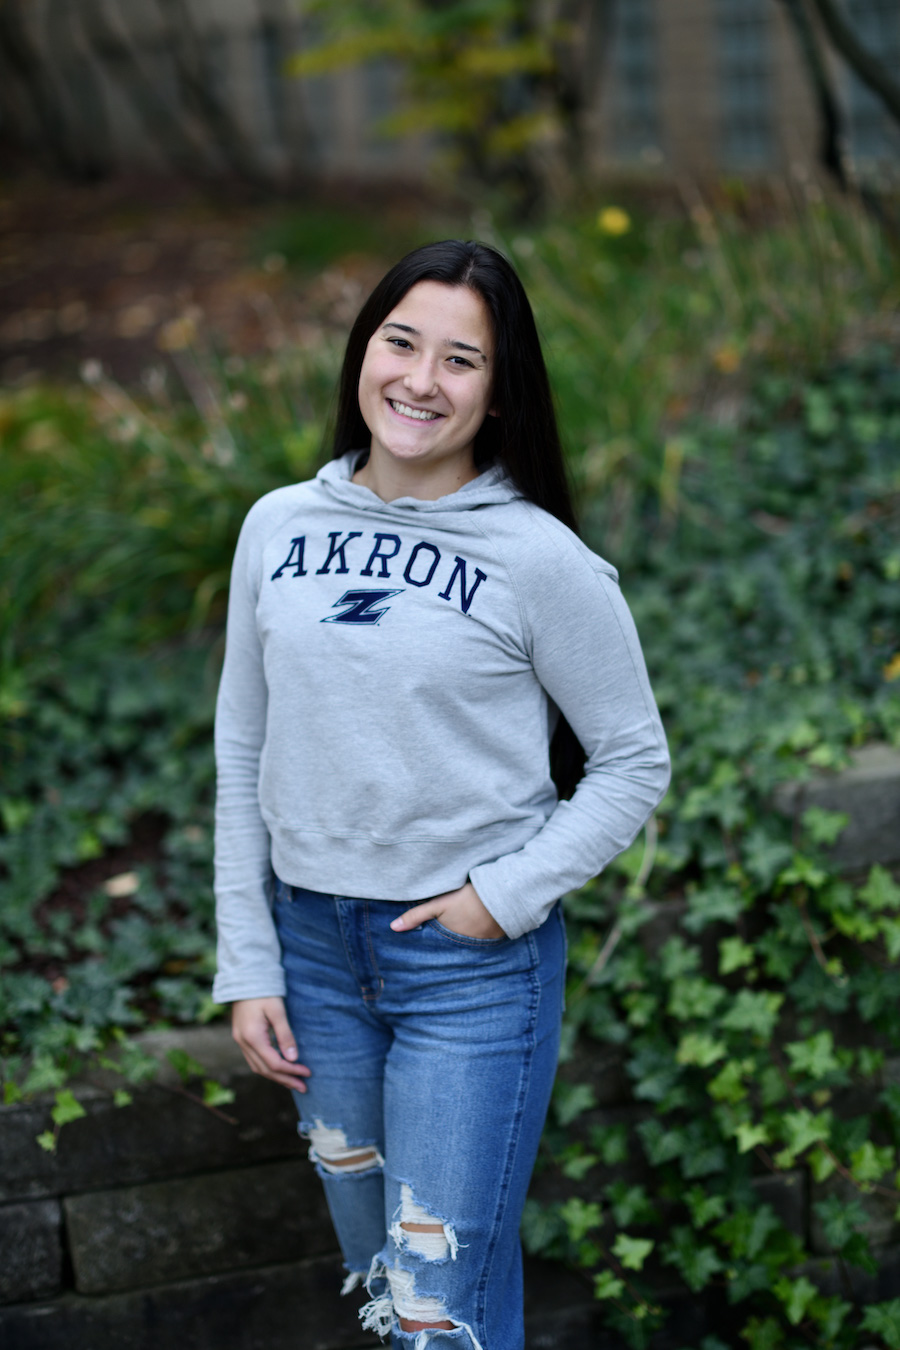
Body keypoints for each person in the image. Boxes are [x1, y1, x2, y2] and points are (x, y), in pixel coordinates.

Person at [213, 239, 670, 1350]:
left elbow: (633, 762)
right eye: (401, 342)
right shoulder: (279, 525)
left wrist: (499, 899)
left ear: (499, 391)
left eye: (461, 359)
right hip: (314, 958)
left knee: (432, 1309)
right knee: (391, 1286)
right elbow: (242, 745)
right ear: (364, 352)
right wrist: (250, 958)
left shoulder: (541, 561)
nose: (421, 379)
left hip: (467, 972)